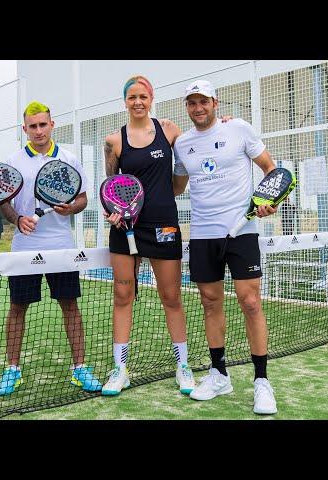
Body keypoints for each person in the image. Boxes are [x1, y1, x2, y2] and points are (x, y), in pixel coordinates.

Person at [173, 79, 278, 415]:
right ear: (187, 107)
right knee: (209, 302)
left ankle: (262, 381)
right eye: (192, 103)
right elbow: (176, 187)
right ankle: (219, 374)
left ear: (215, 103)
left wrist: (268, 201)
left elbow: (270, 168)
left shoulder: (240, 129)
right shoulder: (183, 144)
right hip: (203, 235)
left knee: (250, 302)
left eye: (203, 101)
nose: (198, 108)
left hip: (242, 231)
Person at [0, 101, 102, 395]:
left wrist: (70, 209)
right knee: (17, 307)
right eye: (33, 126)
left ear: (52, 125)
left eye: (43, 124)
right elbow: (3, 200)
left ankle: (80, 368)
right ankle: (12, 370)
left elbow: (82, 199)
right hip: (24, 247)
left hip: (61, 246)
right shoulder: (14, 160)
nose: (38, 131)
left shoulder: (69, 158)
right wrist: (17, 219)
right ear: (25, 129)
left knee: (70, 306)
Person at [101, 75, 195, 396]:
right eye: (132, 98)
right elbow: (111, 187)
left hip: (164, 226)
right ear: (125, 102)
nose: (138, 102)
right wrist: (114, 211)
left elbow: (181, 178)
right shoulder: (114, 140)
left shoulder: (170, 131)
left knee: (171, 297)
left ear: (151, 98)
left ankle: (183, 366)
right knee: (123, 296)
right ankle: (120, 369)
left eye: (143, 96)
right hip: (125, 229)